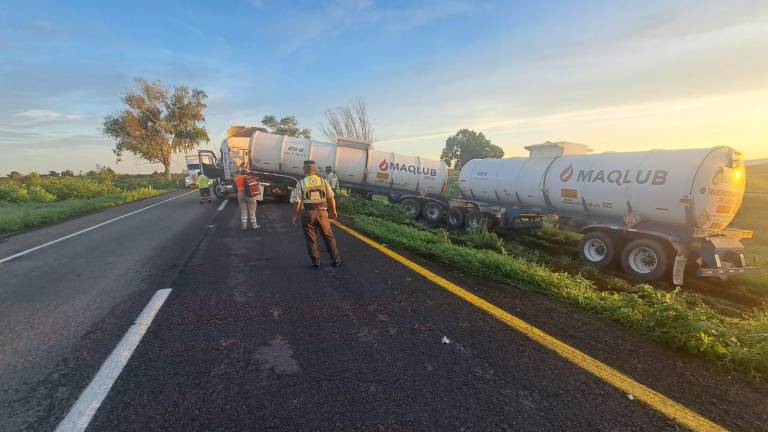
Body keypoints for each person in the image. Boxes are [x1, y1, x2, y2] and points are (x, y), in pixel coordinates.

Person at [292, 160, 341, 269]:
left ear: (305, 169)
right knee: (328, 237)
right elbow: (331, 197)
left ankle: (316, 262)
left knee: (311, 238)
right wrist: (333, 211)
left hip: (308, 214)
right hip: (323, 213)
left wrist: (296, 215)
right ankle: (336, 259)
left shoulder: (301, 183)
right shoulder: (323, 181)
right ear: (315, 170)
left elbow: (297, 202)